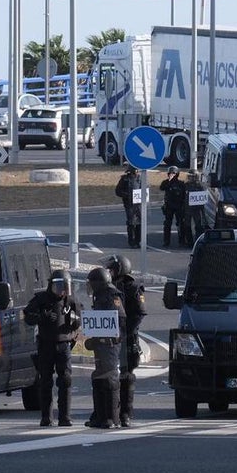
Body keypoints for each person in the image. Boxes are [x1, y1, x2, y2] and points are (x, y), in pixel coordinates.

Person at [22, 269, 82, 427]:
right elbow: (27, 316)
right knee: (45, 381)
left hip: (64, 344)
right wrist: (42, 317)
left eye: (65, 287)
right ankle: (46, 417)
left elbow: (80, 319)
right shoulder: (41, 299)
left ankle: (65, 417)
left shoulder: (71, 301)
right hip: (46, 344)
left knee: (66, 381)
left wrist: (75, 323)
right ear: (51, 286)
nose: (62, 291)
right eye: (59, 287)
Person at [105, 255, 146, 427]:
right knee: (106, 375)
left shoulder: (134, 289)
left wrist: (124, 332)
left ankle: (125, 413)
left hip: (127, 339)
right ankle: (109, 412)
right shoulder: (108, 288)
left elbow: (138, 314)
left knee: (126, 376)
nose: (110, 273)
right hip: (109, 340)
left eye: (113, 269)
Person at [84, 266, 127, 429]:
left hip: (110, 345)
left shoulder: (112, 295)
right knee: (98, 378)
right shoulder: (99, 295)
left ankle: (111, 417)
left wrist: (109, 337)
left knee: (110, 379)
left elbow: (120, 320)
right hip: (100, 344)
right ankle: (99, 416)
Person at [115, 165, 142, 248]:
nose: (136, 172)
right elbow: (118, 191)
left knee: (140, 223)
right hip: (129, 204)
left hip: (139, 204)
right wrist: (127, 195)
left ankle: (138, 241)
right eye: (135, 170)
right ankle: (132, 241)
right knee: (131, 223)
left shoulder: (140, 179)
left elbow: (144, 188)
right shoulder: (125, 179)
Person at [158, 166, 186, 248]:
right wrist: (169, 181)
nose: (171, 175)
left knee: (181, 224)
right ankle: (166, 241)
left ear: (177, 174)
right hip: (169, 206)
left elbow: (184, 195)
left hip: (179, 206)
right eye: (170, 173)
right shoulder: (166, 182)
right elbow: (161, 188)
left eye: (173, 173)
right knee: (167, 224)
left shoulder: (181, 184)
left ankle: (181, 241)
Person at [183, 169, 207, 246]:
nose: (189, 178)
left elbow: (203, 198)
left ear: (195, 177)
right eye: (189, 176)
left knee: (198, 226)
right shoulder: (185, 185)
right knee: (187, 225)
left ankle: (198, 241)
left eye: (191, 177)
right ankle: (189, 241)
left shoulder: (200, 186)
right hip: (187, 209)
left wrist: (203, 211)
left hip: (197, 209)